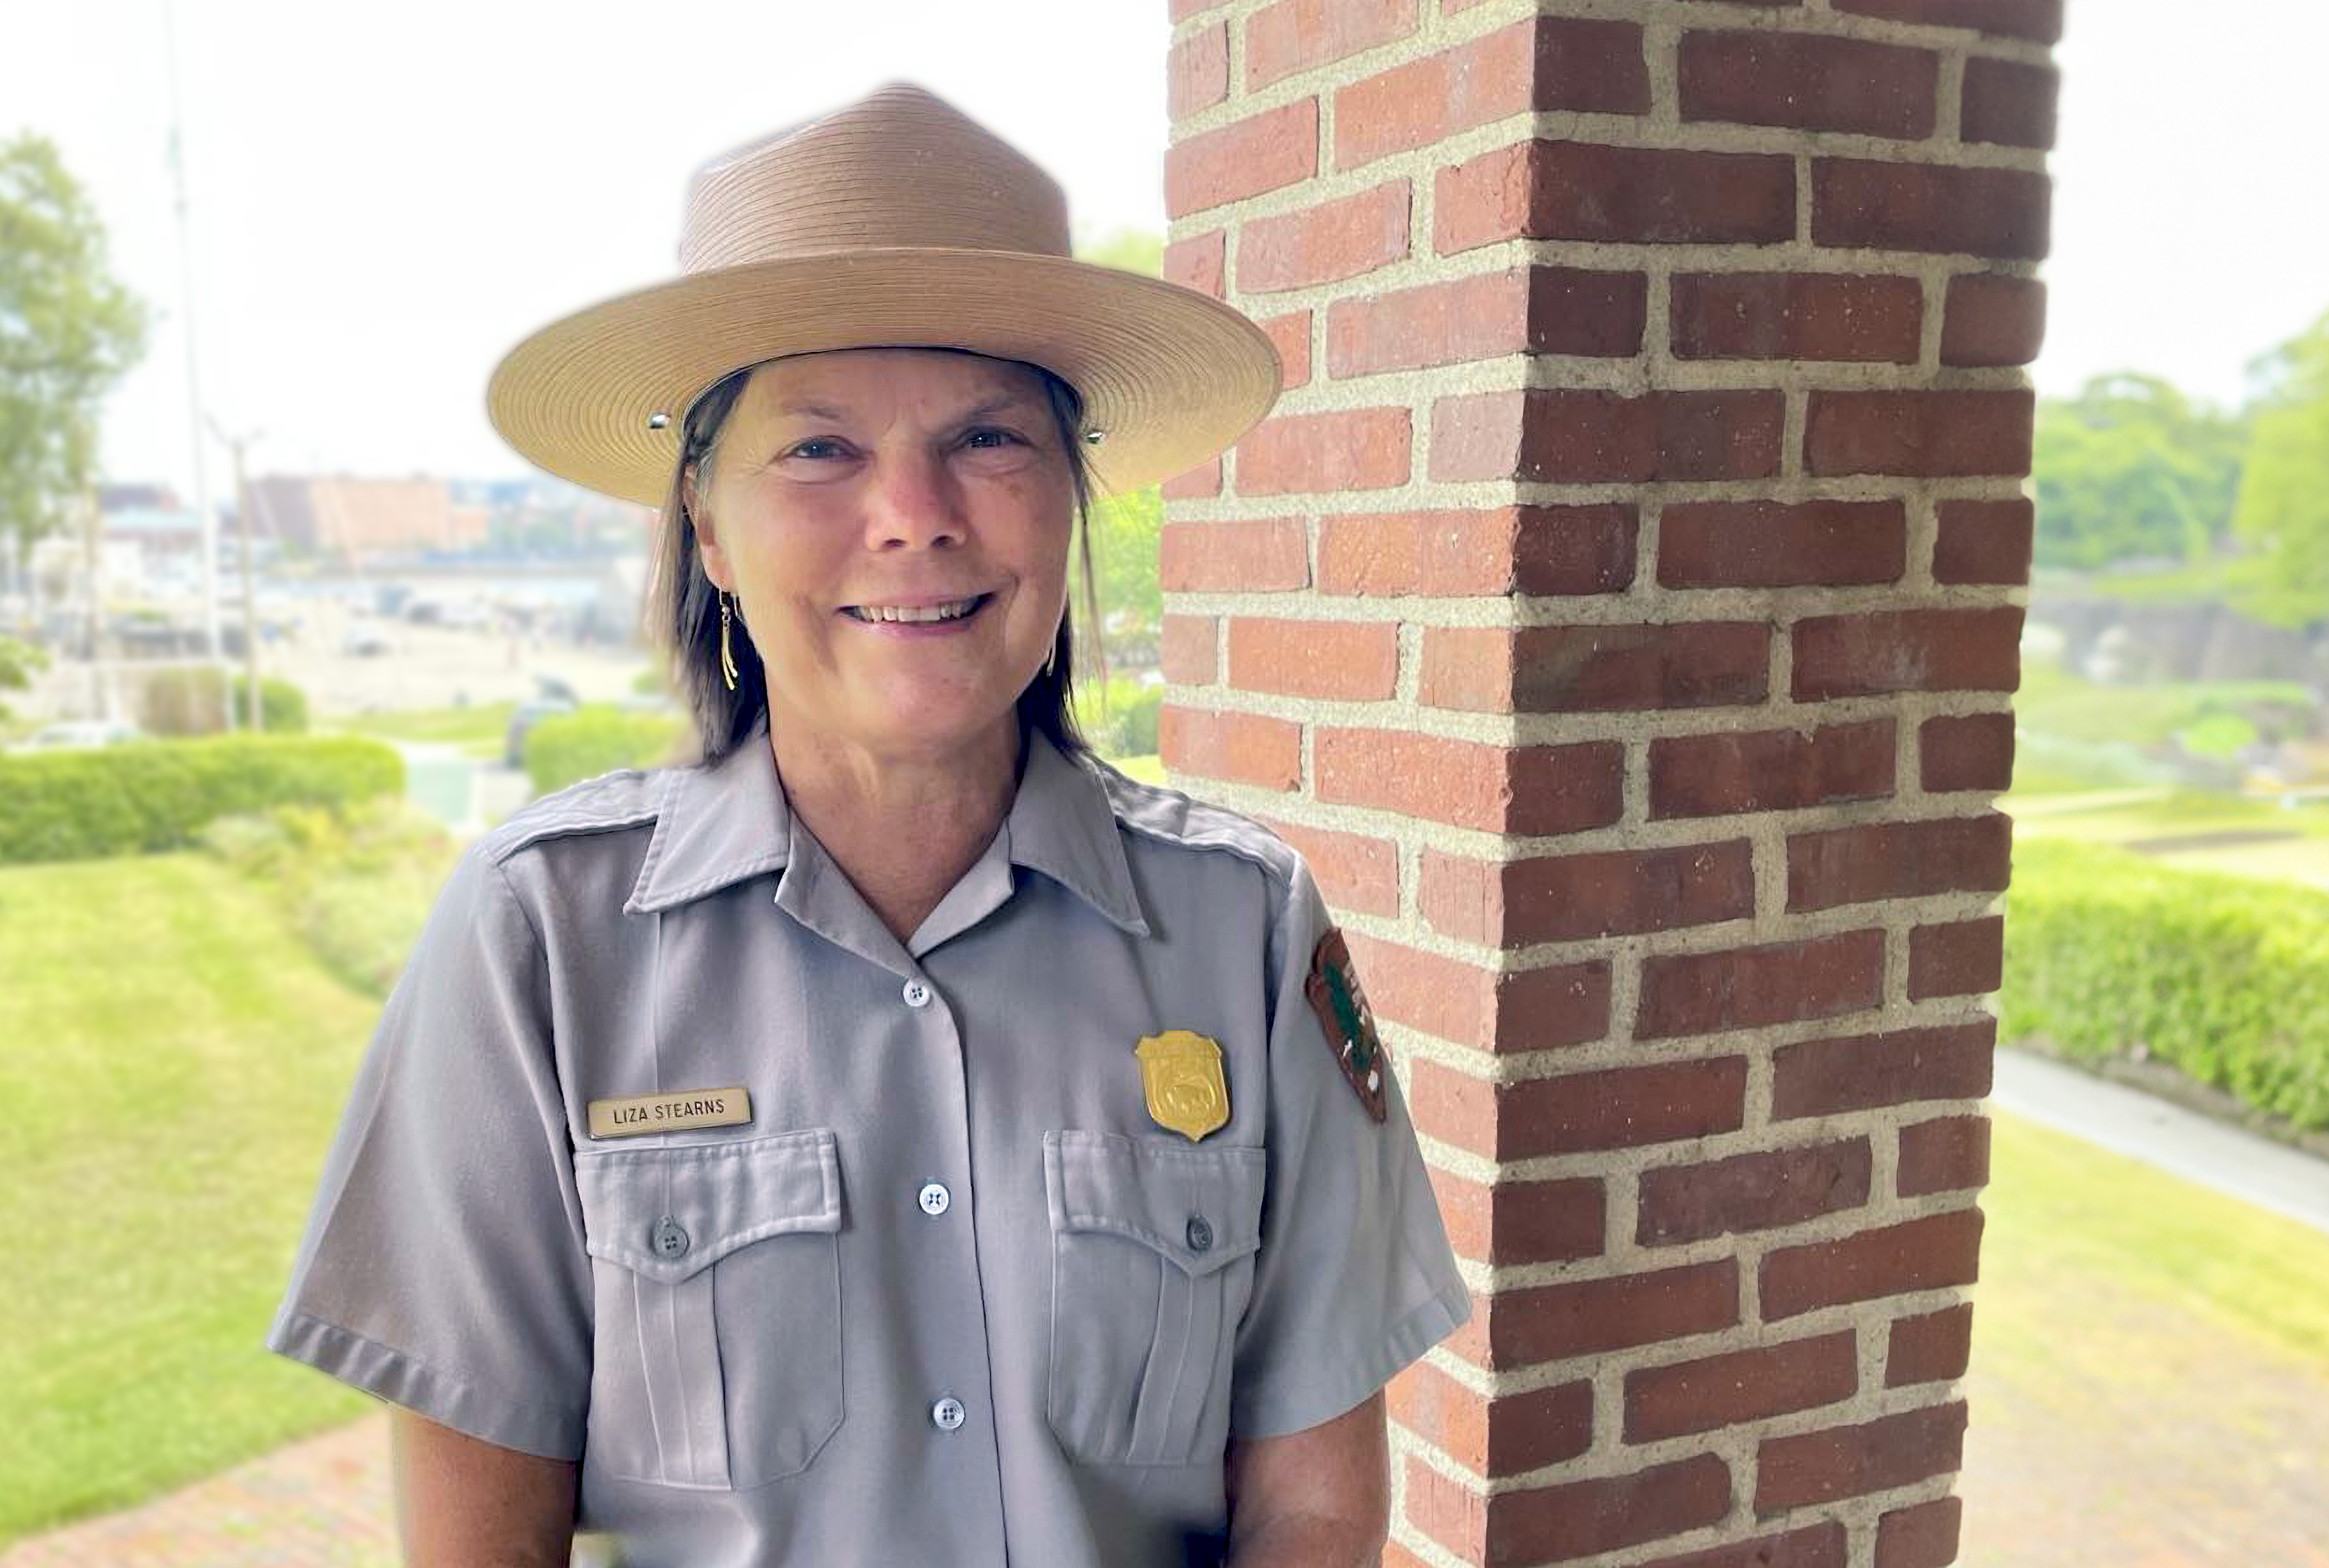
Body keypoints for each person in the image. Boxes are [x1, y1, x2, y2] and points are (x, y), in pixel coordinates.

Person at [267, 83, 1473, 1567]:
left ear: (1067, 509)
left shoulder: (1245, 930)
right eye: (819, 451)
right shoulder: (540, 942)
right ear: (706, 528)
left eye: (986, 438)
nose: (913, 513)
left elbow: (1308, 1510)